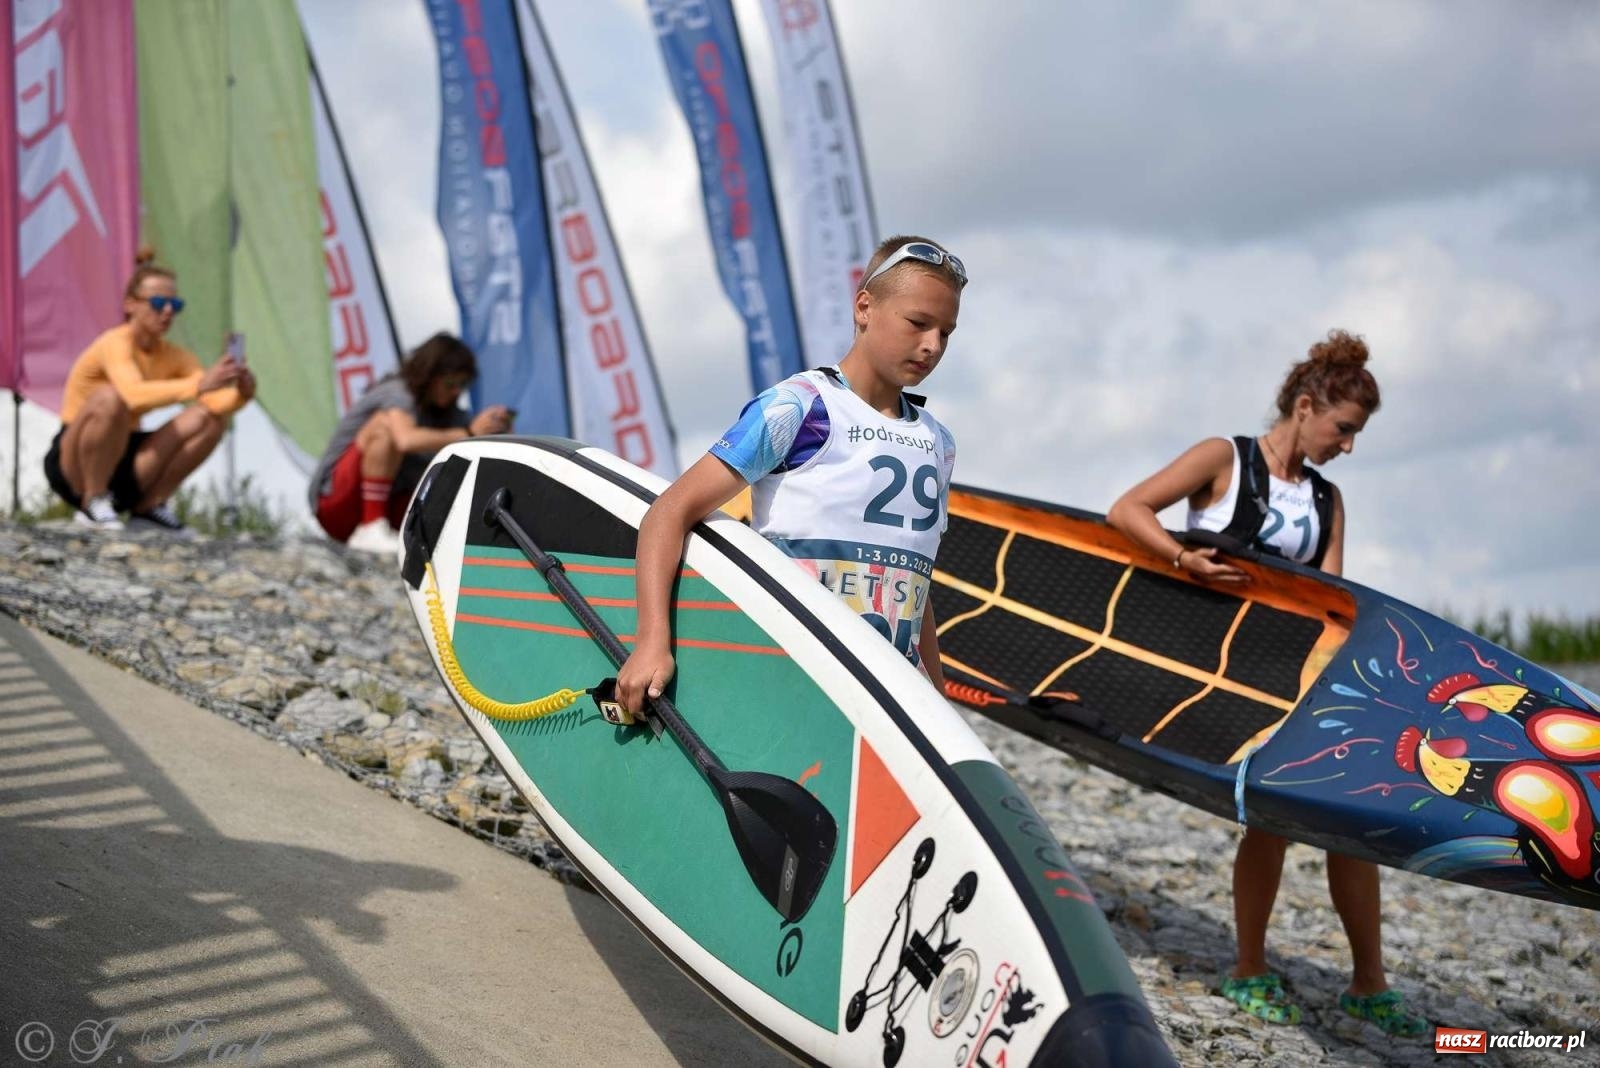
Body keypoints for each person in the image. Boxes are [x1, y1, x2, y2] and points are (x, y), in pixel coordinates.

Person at [1107, 330, 1427, 1038]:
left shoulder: (1328, 499)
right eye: (1343, 430)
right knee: (1271, 817)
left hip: (1298, 675)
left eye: (1355, 435)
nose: (1348, 446)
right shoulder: (1222, 458)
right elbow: (1126, 511)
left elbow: (1338, 598)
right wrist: (1182, 559)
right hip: (1220, 672)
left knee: (1351, 815)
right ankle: (1248, 967)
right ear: (1306, 406)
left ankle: (1368, 983)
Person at [615, 235, 965, 716]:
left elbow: (913, 585)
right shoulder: (800, 406)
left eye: (946, 332)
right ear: (864, 307)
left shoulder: (938, 442)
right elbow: (669, 512)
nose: (932, 345)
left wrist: (940, 706)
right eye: (918, 323)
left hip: (890, 699)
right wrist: (652, 641)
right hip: (793, 677)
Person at [43, 251, 255, 536]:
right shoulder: (114, 342)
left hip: (125, 458)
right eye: (157, 303)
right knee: (109, 398)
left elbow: (214, 402)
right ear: (130, 305)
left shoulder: (176, 355)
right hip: (77, 461)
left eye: (174, 304)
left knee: (209, 419)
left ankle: (150, 506)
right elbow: (132, 395)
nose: (167, 311)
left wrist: (242, 390)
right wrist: (199, 384)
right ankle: (93, 499)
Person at [308, 333, 512, 554]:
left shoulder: (452, 415)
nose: (456, 391)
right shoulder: (397, 392)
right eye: (451, 383)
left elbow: (472, 449)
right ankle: (370, 525)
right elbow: (405, 440)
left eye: (462, 384)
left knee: (458, 463)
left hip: (396, 512)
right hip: (336, 503)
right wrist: (470, 431)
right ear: (430, 374)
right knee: (384, 426)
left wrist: (497, 432)